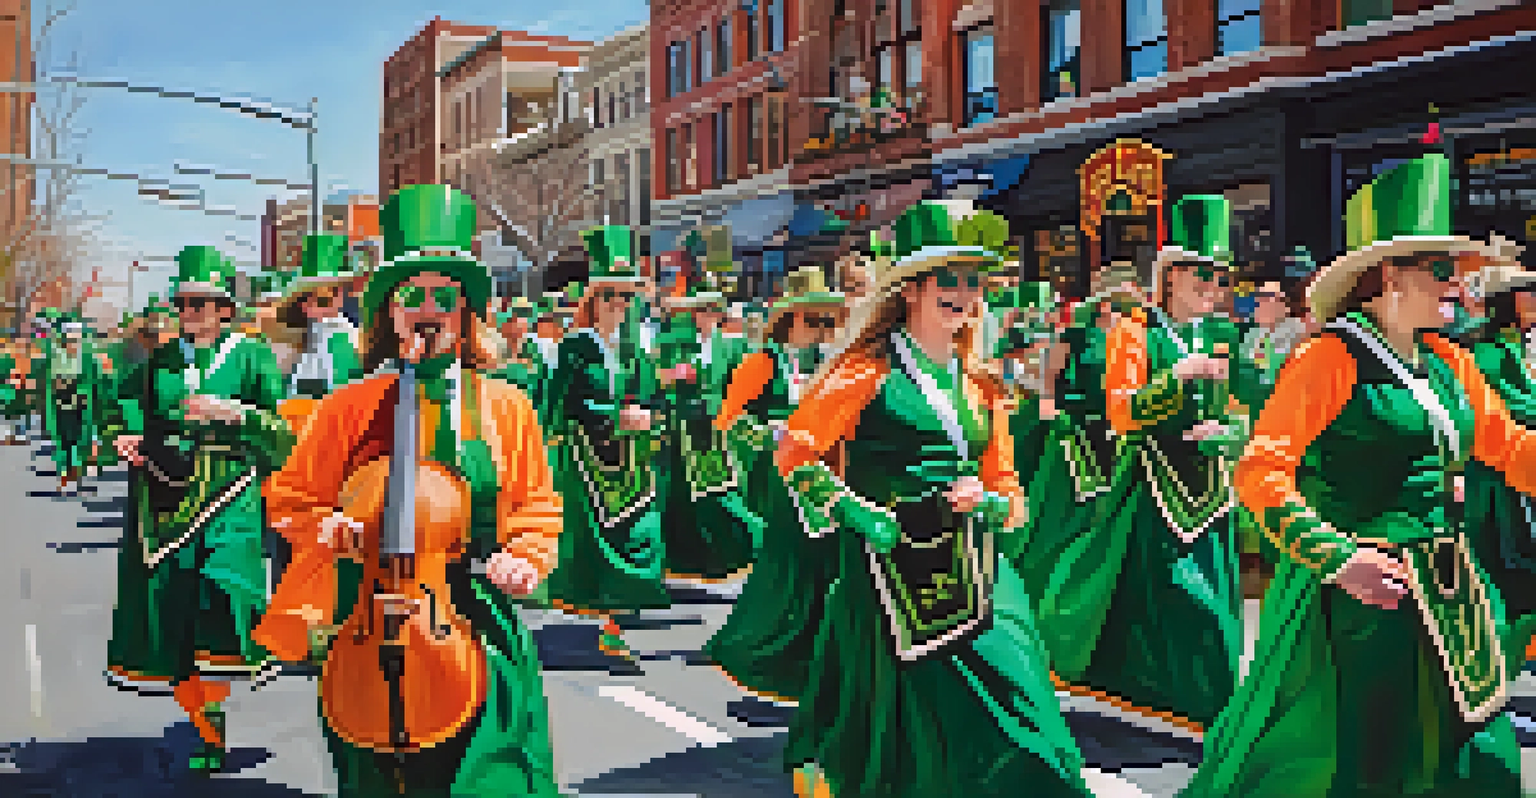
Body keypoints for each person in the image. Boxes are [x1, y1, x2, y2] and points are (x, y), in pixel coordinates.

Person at [1183, 155, 1535, 798]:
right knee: (1368, 767)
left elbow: (1509, 449)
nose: (1457, 285)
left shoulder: (1451, 361)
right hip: (1362, 600)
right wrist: (1340, 560)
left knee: (1485, 764)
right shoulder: (1329, 358)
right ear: (1387, 278)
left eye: (1455, 270)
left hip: (1448, 595)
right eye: (1440, 270)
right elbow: (1262, 472)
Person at [253, 184, 562, 797]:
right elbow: (291, 497)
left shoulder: (505, 405)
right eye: (410, 295)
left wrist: (525, 559)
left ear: (466, 311)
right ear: (389, 314)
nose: (428, 308)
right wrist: (328, 527)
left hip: (474, 620)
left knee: (494, 781)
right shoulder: (349, 407)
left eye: (444, 296)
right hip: (366, 618)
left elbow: (536, 503)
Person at [774, 202, 1091, 798]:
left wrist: (992, 504)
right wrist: (859, 514)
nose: (965, 293)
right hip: (890, 570)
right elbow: (795, 454)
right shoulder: (864, 373)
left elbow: (1008, 485)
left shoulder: (981, 384)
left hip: (979, 566)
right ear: (913, 290)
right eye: (950, 279)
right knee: (917, 722)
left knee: (1024, 708)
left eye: (974, 282)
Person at [1045, 195, 1245, 732]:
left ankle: (1205, 707)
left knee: (1212, 603)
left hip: (1209, 485)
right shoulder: (1135, 332)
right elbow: (1124, 411)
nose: (1212, 287)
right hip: (1154, 484)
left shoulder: (1219, 335)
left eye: (1219, 277)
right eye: (1202, 275)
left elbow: (1241, 407)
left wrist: (1228, 433)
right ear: (1171, 276)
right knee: (1178, 598)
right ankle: (1179, 700)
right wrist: (1177, 378)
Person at [106, 247, 293, 773]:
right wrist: (124, 434)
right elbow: (122, 403)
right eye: (185, 302)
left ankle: (219, 700)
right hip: (165, 493)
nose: (192, 311)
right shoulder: (159, 361)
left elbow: (280, 433)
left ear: (225, 308)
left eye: (203, 303)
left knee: (224, 591)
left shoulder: (254, 357)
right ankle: (208, 727)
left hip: (232, 489)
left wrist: (232, 412)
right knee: (178, 609)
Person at [706, 266, 846, 717]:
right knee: (793, 560)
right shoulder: (763, 361)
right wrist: (770, 434)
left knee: (828, 564)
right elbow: (729, 418)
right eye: (813, 320)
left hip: (829, 469)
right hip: (786, 474)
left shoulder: (833, 361)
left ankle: (825, 657)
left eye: (828, 320)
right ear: (790, 319)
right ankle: (766, 648)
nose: (822, 329)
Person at [541, 226, 668, 663]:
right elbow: (565, 400)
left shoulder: (632, 348)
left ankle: (619, 611)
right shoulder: (576, 345)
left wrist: (650, 411)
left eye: (627, 297)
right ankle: (609, 624)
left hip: (628, 452)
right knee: (598, 539)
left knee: (643, 528)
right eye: (611, 295)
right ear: (592, 300)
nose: (619, 305)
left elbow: (648, 392)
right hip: (586, 453)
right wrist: (614, 416)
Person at [654, 283, 761, 584]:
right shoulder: (676, 344)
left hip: (715, 430)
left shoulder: (732, 346)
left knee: (720, 494)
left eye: (714, 310)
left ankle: (751, 547)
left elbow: (745, 383)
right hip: (683, 429)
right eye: (702, 310)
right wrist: (671, 378)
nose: (708, 315)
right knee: (684, 501)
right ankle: (693, 562)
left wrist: (735, 413)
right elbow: (656, 379)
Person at [1461, 258, 1536, 675]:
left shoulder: (1500, 347)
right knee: (1505, 578)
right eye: (1529, 291)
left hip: (1505, 478)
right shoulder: (1489, 354)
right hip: (1495, 486)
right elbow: (1516, 410)